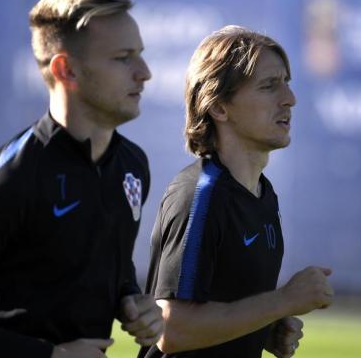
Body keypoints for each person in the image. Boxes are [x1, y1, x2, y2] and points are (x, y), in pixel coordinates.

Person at [0, 0, 163, 357]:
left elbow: (100, 258)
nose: (144, 72)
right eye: (123, 57)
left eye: (141, 54)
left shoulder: (132, 165)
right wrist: (52, 356)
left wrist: (130, 299)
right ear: (66, 70)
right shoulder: (12, 175)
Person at [138, 26, 334, 358]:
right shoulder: (201, 195)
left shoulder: (263, 195)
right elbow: (171, 330)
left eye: (286, 82)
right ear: (219, 108)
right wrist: (283, 300)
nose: (290, 98)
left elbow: (221, 309)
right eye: (270, 86)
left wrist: (266, 328)